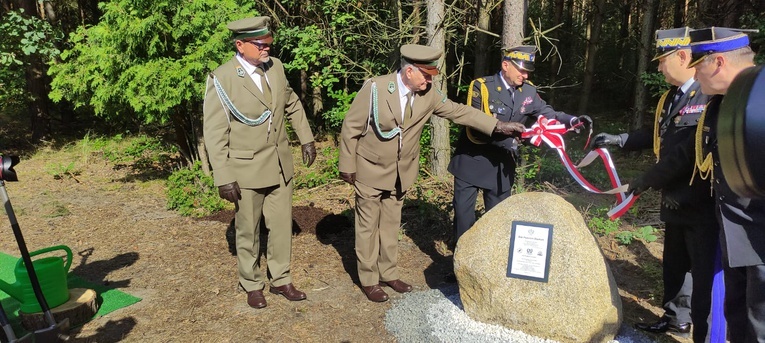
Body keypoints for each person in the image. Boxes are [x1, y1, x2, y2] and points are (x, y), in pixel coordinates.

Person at [338, 44, 525, 302]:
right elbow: (351, 127)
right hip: (370, 168)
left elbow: (459, 111)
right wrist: (347, 164)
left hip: (400, 173)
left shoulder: (429, 94)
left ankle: (388, 272)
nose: (429, 80)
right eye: (426, 75)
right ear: (409, 71)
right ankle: (369, 279)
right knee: (368, 226)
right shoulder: (376, 89)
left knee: (390, 225)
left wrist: (498, 126)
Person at [592, 27, 718, 342]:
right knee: (674, 264)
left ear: (683, 56)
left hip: (701, 200)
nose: (659, 68)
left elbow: (684, 154)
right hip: (674, 197)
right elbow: (658, 134)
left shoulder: (708, 95)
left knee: (704, 275)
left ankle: (707, 331)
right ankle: (676, 320)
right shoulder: (670, 97)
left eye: (663, 61)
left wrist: (644, 181)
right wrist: (620, 139)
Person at [203, 16, 316, 309]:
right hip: (245, 169)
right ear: (240, 45)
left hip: (279, 164)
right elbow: (215, 133)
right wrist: (223, 175)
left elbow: (290, 102)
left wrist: (306, 138)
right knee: (248, 229)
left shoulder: (275, 67)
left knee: (280, 227)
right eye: (260, 44)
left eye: (268, 43)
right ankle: (251, 283)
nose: (267, 48)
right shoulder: (222, 78)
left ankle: (281, 279)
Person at [448, 45, 593, 243]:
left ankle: (492, 268)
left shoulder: (528, 92)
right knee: (464, 221)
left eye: (528, 71)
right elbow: (474, 125)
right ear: (506, 65)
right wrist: (504, 129)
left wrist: (573, 120)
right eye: (522, 70)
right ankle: (458, 268)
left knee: (499, 222)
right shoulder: (482, 86)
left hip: (501, 167)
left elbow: (549, 114)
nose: (525, 75)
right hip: (473, 160)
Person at [689, 27, 765, 343]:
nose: (693, 73)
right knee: (739, 323)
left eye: (697, 64)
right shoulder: (725, 100)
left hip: (761, 242)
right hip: (736, 239)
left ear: (717, 62)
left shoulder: (760, 94)